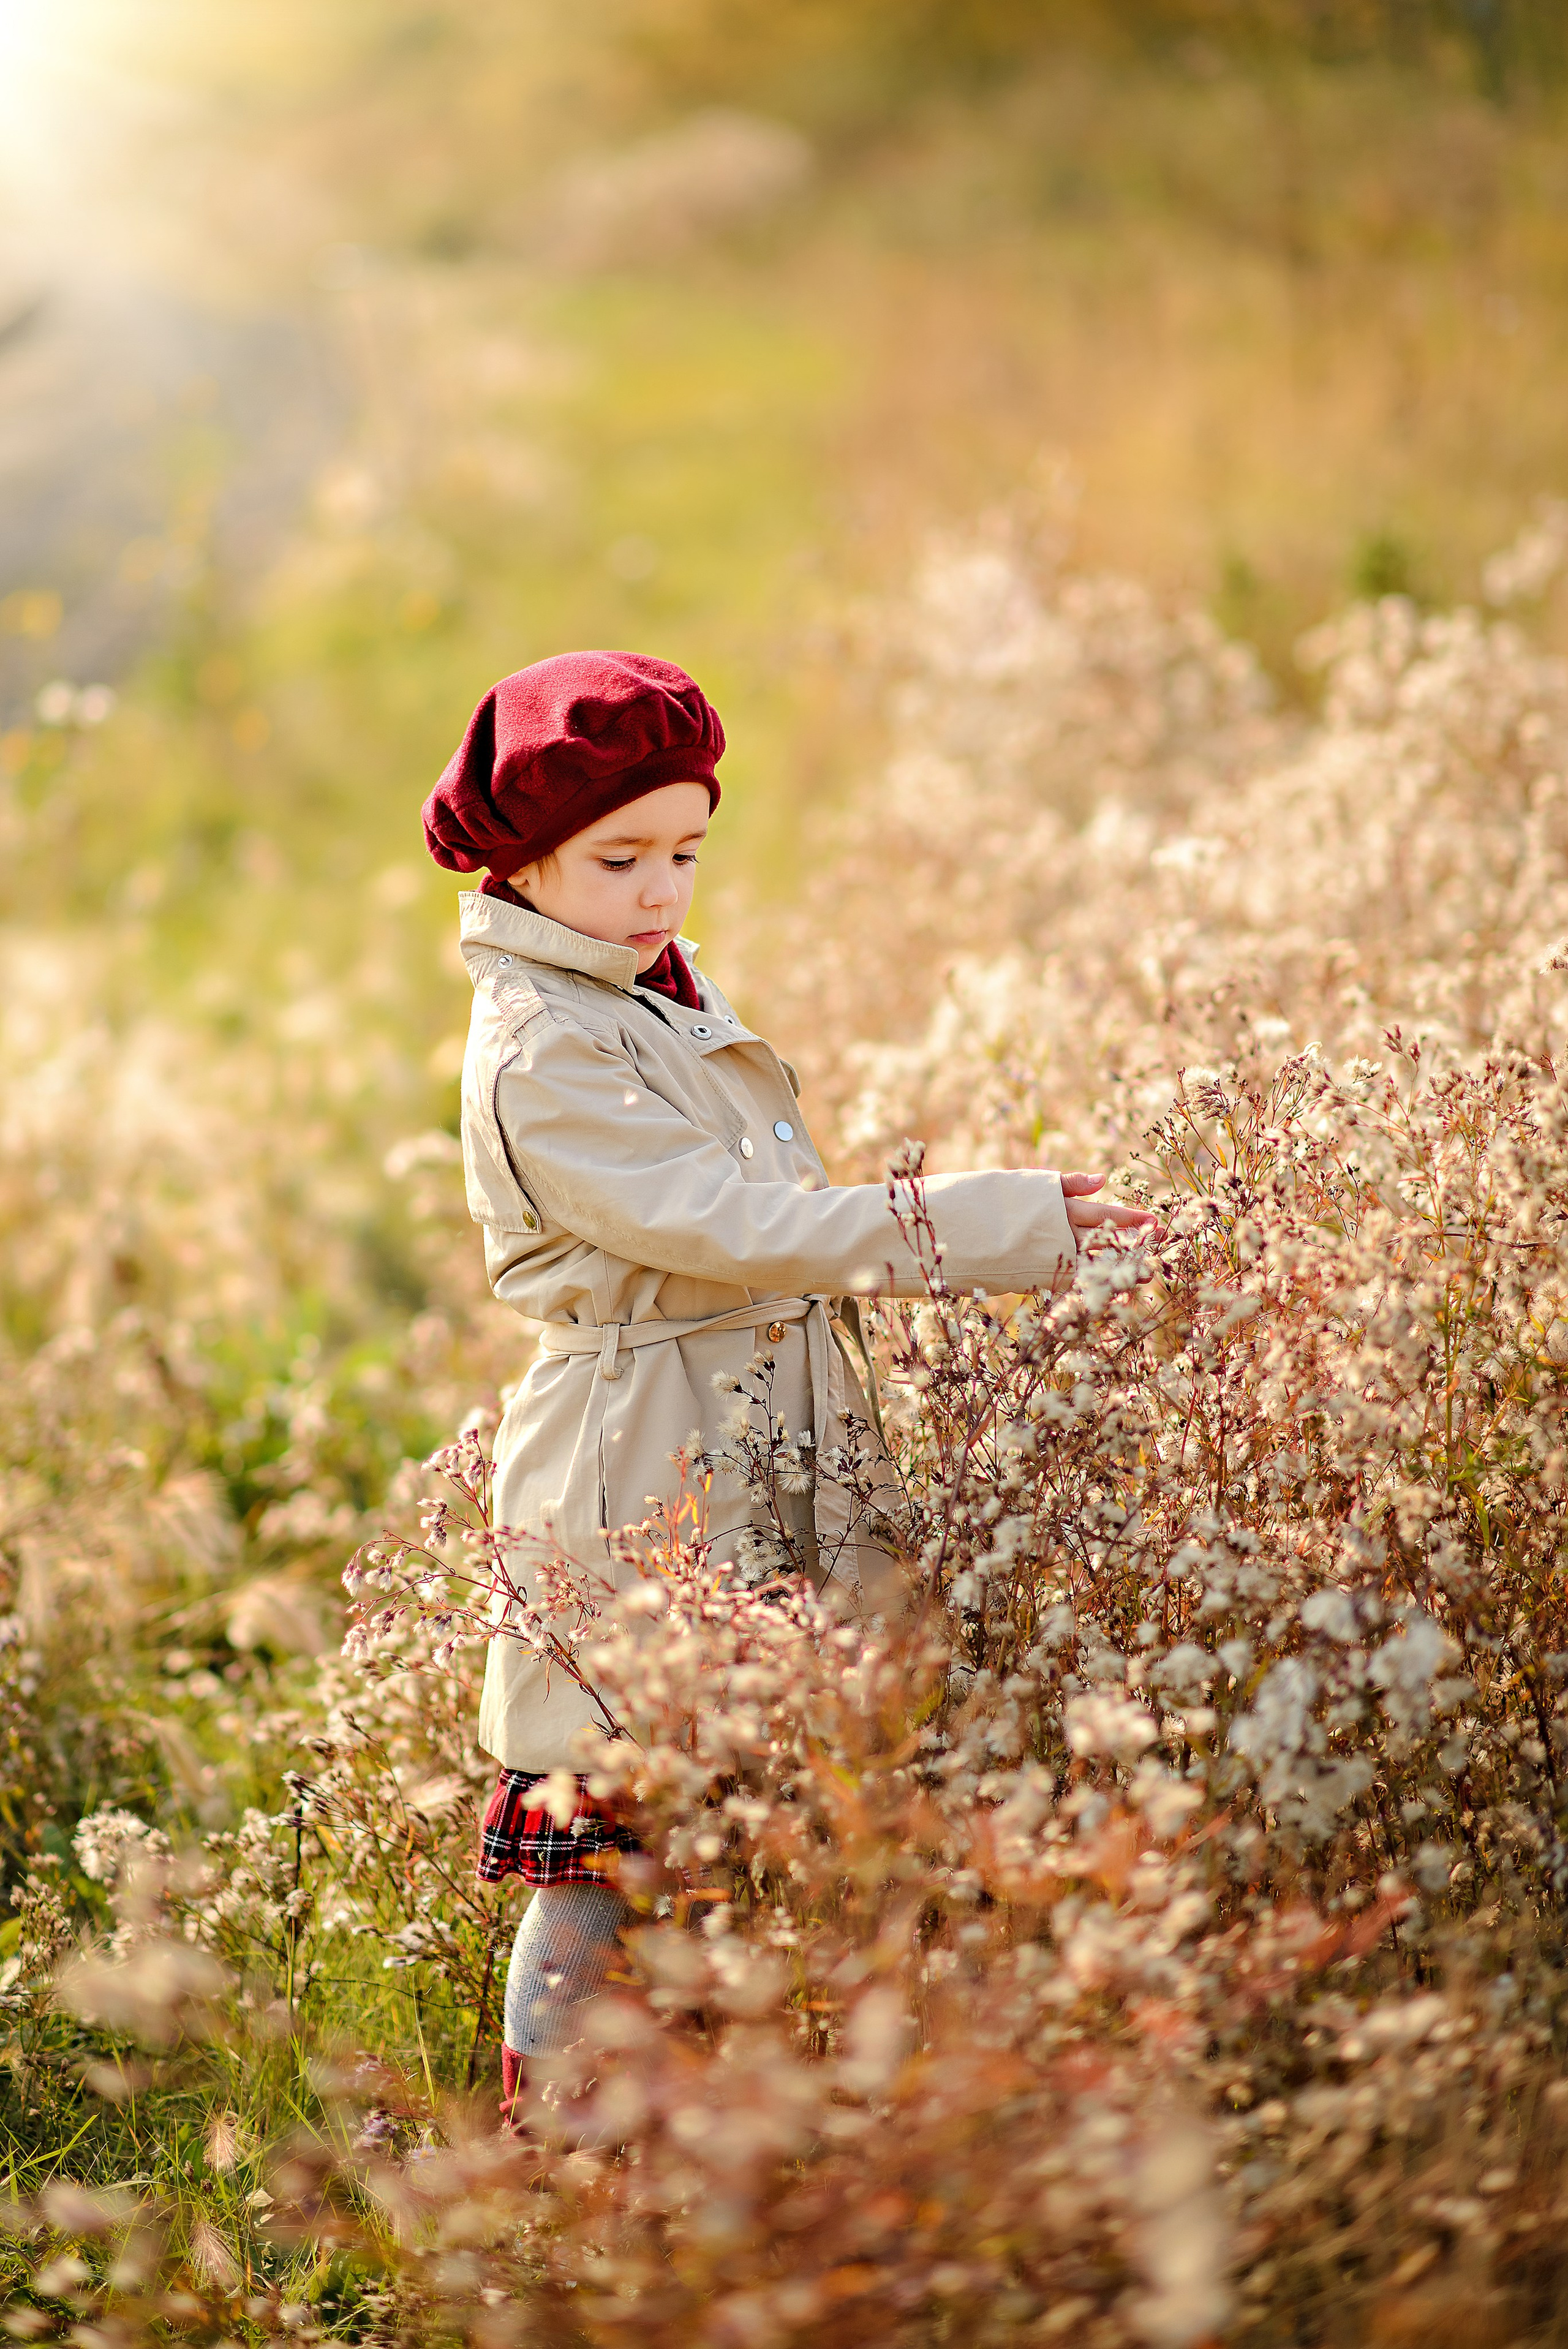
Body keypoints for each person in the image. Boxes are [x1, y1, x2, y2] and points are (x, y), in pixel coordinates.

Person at [421, 649, 1156, 2124]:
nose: (660, 888)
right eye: (619, 857)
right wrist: (991, 1225)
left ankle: (780, 2126)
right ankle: (558, 2149)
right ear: (521, 861)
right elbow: (742, 1226)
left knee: (794, 1796)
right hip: (638, 1466)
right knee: (610, 1838)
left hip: (751, 1426)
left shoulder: (644, 989)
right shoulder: (544, 1045)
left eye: (685, 851)